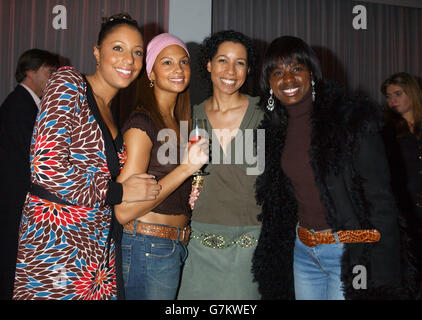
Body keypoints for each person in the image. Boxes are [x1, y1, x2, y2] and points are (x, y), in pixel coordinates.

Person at [252, 36, 415, 300]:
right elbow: (278, 199)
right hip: (302, 250)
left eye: (296, 69)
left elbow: (380, 200)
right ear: (269, 83)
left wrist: (384, 277)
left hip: (346, 252)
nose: (288, 80)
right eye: (277, 72)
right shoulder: (273, 131)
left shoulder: (350, 120)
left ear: (312, 73)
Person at [12, 13, 160, 300]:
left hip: (96, 255)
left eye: (137, 52)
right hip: (56, 246)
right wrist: (118, 190)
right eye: (118, 48)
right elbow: (46, 168)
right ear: (96, 52)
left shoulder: (114, 113)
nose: (128, 60)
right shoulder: (68, 82)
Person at [114, 33, 208, 300]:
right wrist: (185, 170)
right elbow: (122, 211)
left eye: (183, 62)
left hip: (171, 246)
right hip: (146, 245)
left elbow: (168, 184)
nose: (178, 69)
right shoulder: (142, 122)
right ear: (151, 73)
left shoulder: (179, 122)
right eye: (167, 62)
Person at [177, 30, 264, 300]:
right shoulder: (189, 116)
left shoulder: (266, 114)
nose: (231, 70)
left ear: (249, 69)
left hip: (250, 246)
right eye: (223, 60)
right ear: (209, 64)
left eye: (240, 62)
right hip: (197, 247)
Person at [0, 48, 59, 300]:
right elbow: (34, 158)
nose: (53, 78)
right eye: (49, 72)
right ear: (30, 72)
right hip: (16, 202)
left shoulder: (27, 104)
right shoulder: (19, 105)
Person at [381, 72, 422, 294]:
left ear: (412, 93)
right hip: (407, 214)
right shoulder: (388, 131)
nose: (392, 101)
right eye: (389, 96)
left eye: (398, 94)